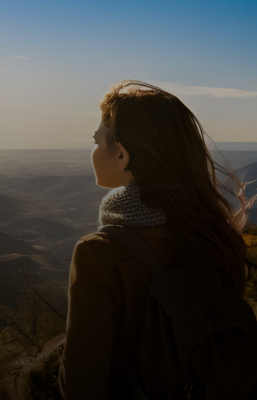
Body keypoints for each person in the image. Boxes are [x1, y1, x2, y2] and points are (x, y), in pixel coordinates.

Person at [56, 80, 257, 400]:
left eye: (97, 140)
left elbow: (80, 389)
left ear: (121, 155)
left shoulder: (98, 254)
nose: (93, 150)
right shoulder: (216, 236)